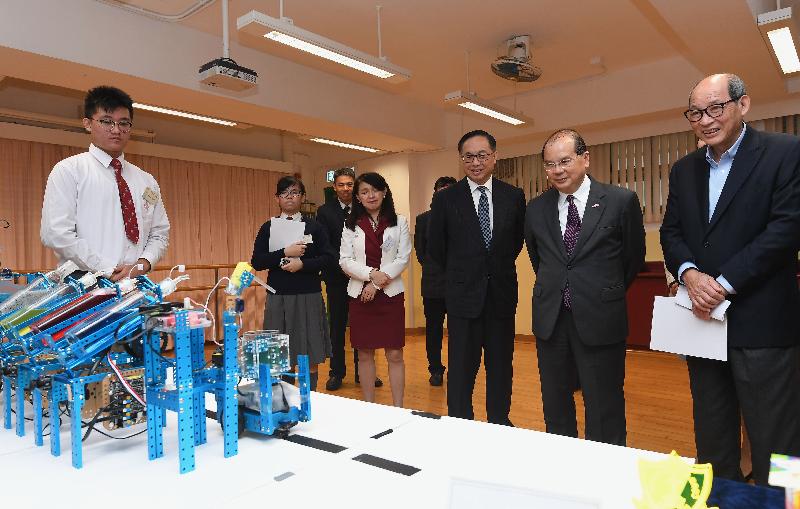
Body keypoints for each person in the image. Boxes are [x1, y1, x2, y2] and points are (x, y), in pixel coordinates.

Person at [660, 73, 800, 485]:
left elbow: (787, 228)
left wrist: (721, 282)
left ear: (743, 105)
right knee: (712, 433)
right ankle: (720, 497)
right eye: (696, 112)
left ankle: (786, 502)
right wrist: (688, 273)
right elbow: (672, 232)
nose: (705, 120)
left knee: (780, 439)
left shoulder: (785, 152)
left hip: (763, 323)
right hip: (702, 323)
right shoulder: (683, 169)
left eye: (715, 108)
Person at [524, 129, 645, 446]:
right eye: (550, 164)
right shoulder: (536, 209)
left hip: (600, 317)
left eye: (565, 161)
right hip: (551, 320)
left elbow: (632, 259)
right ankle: (565, 472)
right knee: (555, 402)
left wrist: (600, 291)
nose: (557, 170)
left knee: (604, 403)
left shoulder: (620, 201)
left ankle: (606, 475)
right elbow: (542, 260)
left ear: (585, 158)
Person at [428, 130, 526, 425]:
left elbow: (515, 242)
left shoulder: (514, 196)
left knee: (500, 368)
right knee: (461, 368)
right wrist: (463, 274)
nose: (476, 162)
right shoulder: (447, 199)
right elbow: (436, 248)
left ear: (494, 157)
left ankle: (499, 421)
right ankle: (460, 422)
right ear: (461, 160)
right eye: (468, 156)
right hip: (462, 298)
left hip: (501, 296)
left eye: (482, 155)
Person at [41, 85, 169, 280]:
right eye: (106, 121)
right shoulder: (69, 171)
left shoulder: (146, 181)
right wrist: (107, 268)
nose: (116, 130)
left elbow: (159, 233)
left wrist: (142, 264)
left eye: (124, 123)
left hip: (135, 285)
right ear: (87, 123)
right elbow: (56, 234)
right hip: (85, 284)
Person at [251, 176, 333, 390]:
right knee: (280, 351)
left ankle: (312, 396)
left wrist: (302, 264)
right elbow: (257, 261)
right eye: (284, 193)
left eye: (295, 192)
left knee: (310, 349)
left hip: (309, 294)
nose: (290, 197)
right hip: (279, 296)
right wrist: (284, 253)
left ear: (302, 197)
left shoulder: (314, 227)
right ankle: (283, 399)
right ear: (277, 198)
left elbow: (329, 258)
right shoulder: (267, 227)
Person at [339, 172, 411, 406]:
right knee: (365, 353)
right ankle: (369, 407)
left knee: (395, 354)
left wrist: (376, 284)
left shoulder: (399, 222)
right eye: (364, 192)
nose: (370, 195)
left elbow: (403, 258)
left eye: (375, 190)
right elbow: (345, 260)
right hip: (360, 296)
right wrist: (370, 275)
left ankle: (398, 407)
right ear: (358, 197)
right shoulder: (350, 225)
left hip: (389, 295)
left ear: (384, 192)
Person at [316, 168, 383, 390]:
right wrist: (345, 267)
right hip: (337, 278)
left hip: (363, 278)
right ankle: (337, 373)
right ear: (334, 187)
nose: (346, 188)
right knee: (337, 327)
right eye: (341, 184)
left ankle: (364, 372)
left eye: (349, 184)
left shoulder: (365, 208)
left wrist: (361, 271)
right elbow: (325, 245)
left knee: (363, 326)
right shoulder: (325, 212)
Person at [414, 176, 457, 386]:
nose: (445, 193)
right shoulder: (423, 219)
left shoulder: (464, 216)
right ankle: (436, 369)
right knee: (433, 330)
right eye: (441, 189)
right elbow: (421, 253)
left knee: (459, 331)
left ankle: (458, 368)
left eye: (449, 189)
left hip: (459, 285)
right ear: (435, 192)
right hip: (433, 284)